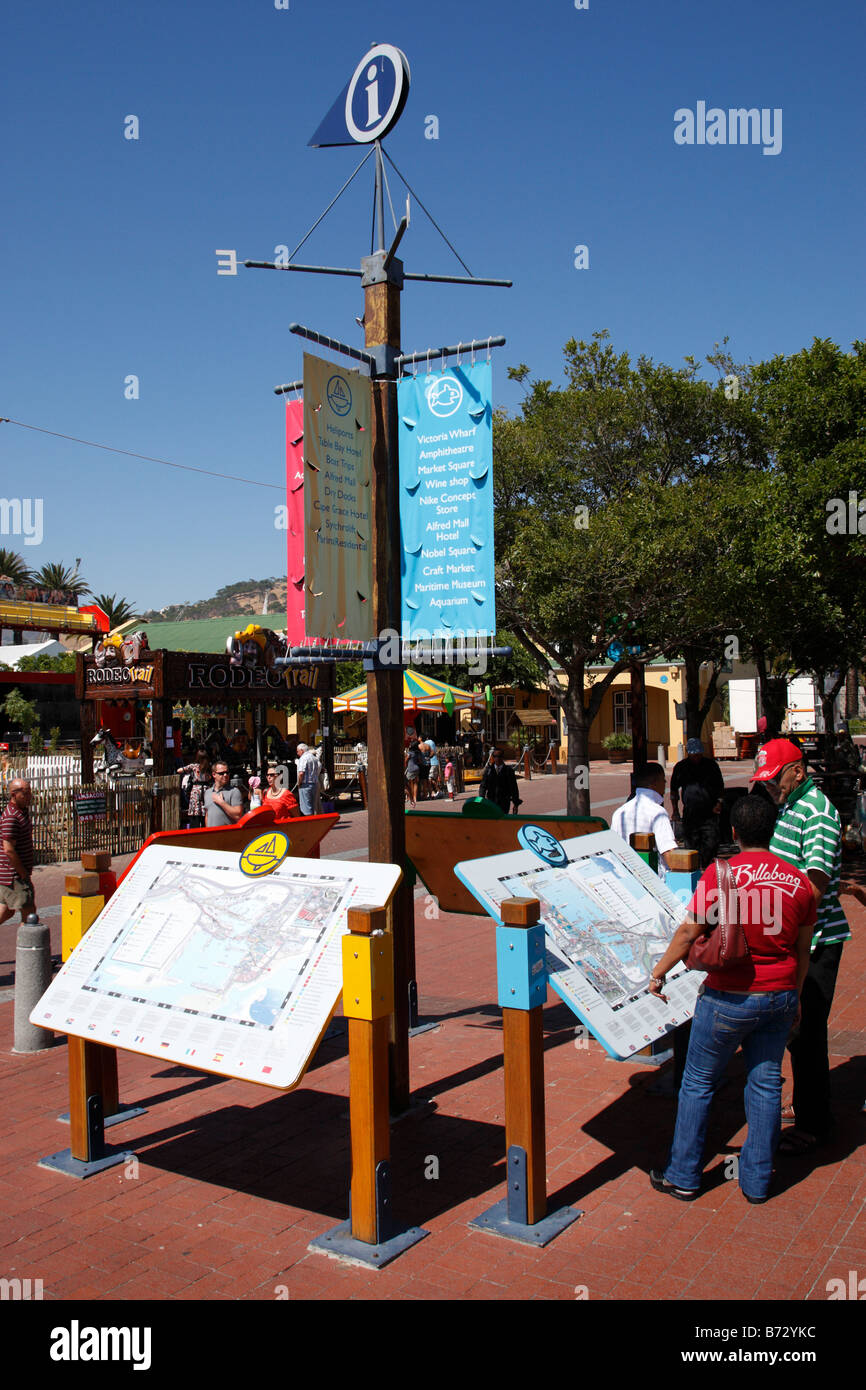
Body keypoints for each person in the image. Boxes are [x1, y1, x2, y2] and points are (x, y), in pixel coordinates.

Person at [648, 793, 815, 1203]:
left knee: (699, 1082)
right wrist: (795, 997)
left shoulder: (721, 875)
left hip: (728, 997)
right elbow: (803, 949)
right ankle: (757, 1182)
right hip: (778, 995)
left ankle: (683, 1176)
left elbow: (689, 932)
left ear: (734, 832)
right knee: (765, 1083)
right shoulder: (801, 882)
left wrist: (658, 972)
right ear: (773, 831)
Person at [751, 738, 848, 1155]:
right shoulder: (789, 807)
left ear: (798, 770)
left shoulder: (819, 813)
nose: (770, 789)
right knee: (794, 1029)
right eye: (765, 784)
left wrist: (781, 923)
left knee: (808, 1032)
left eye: (774, 781)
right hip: (792, 937)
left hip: (816, 940)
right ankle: (807, 1102)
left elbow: (814, 885)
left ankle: (815, 1122)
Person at [611, 763, 678, 873]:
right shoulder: (657, 812)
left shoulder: (620, 812)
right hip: (653, 877)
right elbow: (668, 852)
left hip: (626, 875)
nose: (665, 785)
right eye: (663, 780)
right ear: (654, 783)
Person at [670, 737, 725, 869]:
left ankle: (707, 868)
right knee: (691, 845)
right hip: (690, 812)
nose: (696, 758)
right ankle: (694, 871)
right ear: (689, 753)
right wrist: (675, 810)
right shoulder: (681, 767)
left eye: (699, 754)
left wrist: (719, 803)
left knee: (711, 843)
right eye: (694, 755)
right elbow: (673, 791)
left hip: (709, 812)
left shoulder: (711, 766)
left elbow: (720, 787)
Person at [0, 779, 35, 927]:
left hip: (8, 875)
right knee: (29, 914)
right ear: (14, 794)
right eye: (25, 793)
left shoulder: (20, 812)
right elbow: (8, 848)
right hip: (14, 876)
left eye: (30, 792)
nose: (30, 796)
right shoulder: (12, 817)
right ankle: (26, 949)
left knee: (7, 910)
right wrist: (23, 873)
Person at [177, 749, 212, 829]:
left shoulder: (194, 766)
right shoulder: (209, 766)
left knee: (195, 811)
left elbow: (179, 770)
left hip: (196, 790)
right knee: (205, 810)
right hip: (206, 789)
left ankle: (194, 829)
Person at [479, 748, 521, 815]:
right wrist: (481, 800)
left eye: (499, 756)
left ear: (502, 757)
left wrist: (515, 804)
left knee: (502, 822)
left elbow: (514, 788)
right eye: (495, 756)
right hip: (491, 801)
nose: (497, 758)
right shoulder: (488, 770)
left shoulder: (508, 771)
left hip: (504, 803)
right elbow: (483, 786)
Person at [204, 762, 244, 826]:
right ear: (214, 774)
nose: (225, 775)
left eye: (227, 773)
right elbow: (207, 815)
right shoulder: (207, 792)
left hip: (227, 834)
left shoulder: (234, 791)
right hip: (212, 834)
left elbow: (238, 816)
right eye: (221, 773)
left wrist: (221, 802)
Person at [294, 743, 320, 816]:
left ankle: (308, 823)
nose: (297, 753)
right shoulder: (314, 758)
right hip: (314, 784)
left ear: (301, 751)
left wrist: (299, 783)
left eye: (297, 751)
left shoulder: (303, 758)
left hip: (305, 785)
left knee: (306, 807)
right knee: (312, 805)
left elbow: (301, 773)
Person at [404, 738, 422, 808]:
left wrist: (405, 767)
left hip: (411, 769)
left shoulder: (409, 753)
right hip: (417, 768)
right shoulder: (417, 752)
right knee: (415, 783)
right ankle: (415, 798)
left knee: (408, 784)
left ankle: (410, 798)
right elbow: (420, 761)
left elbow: (405, 761)